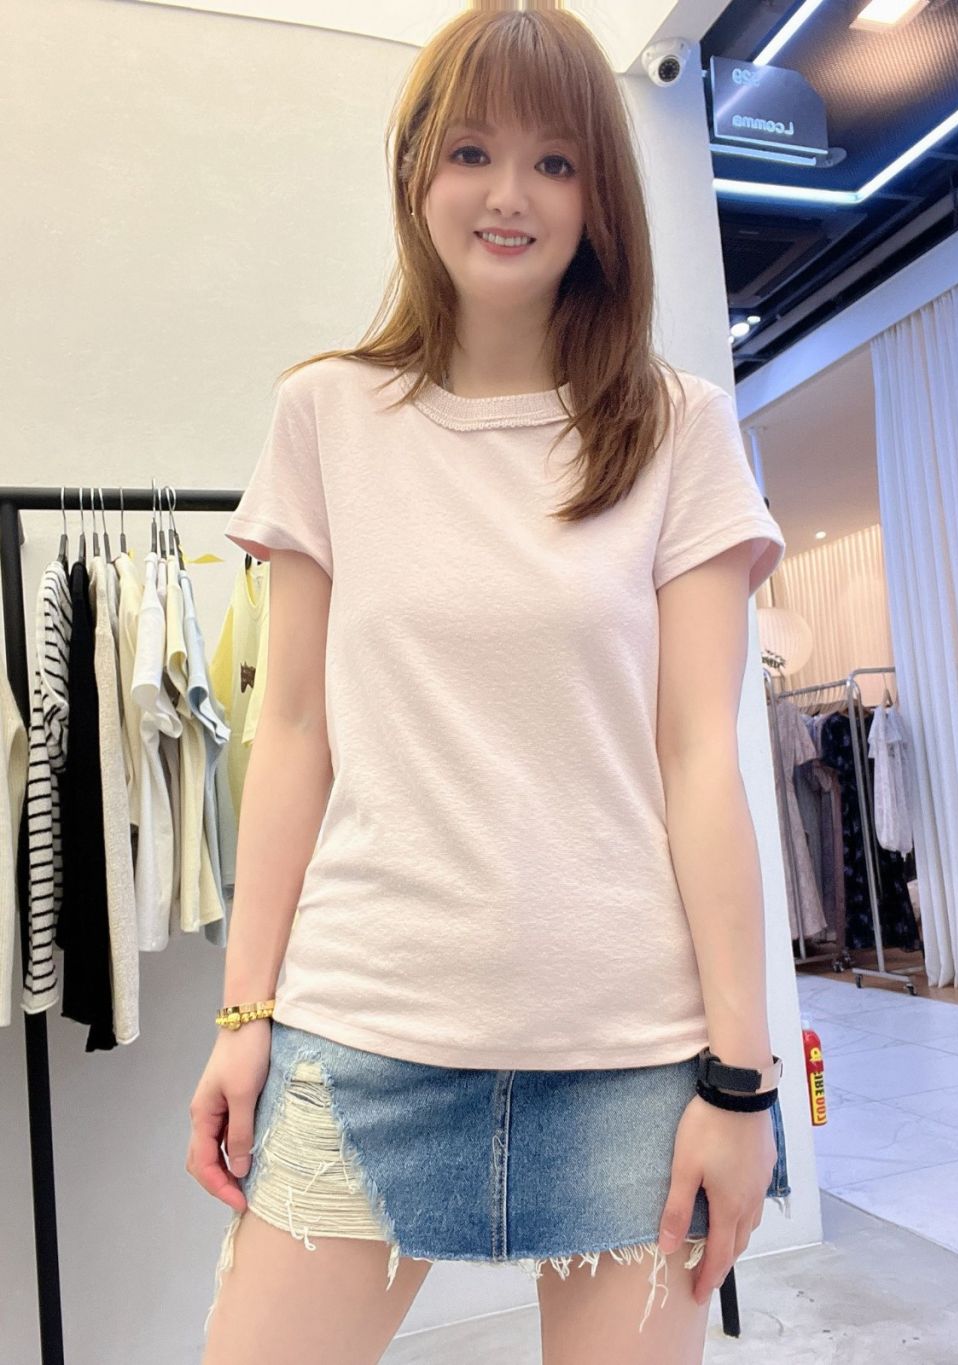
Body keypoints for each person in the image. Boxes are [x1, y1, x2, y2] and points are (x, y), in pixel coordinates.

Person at [188, 6, 790, 1363]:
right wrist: (243, 1014)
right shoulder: (326, 416)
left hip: (633, 1051)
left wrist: (742, 1080)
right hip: (364, 1030)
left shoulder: (677, 428)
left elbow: (701, 756)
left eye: (555, 161)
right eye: (471, 151)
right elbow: (292, 733)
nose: (509, 194)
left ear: (600, 198)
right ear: (416, 171)